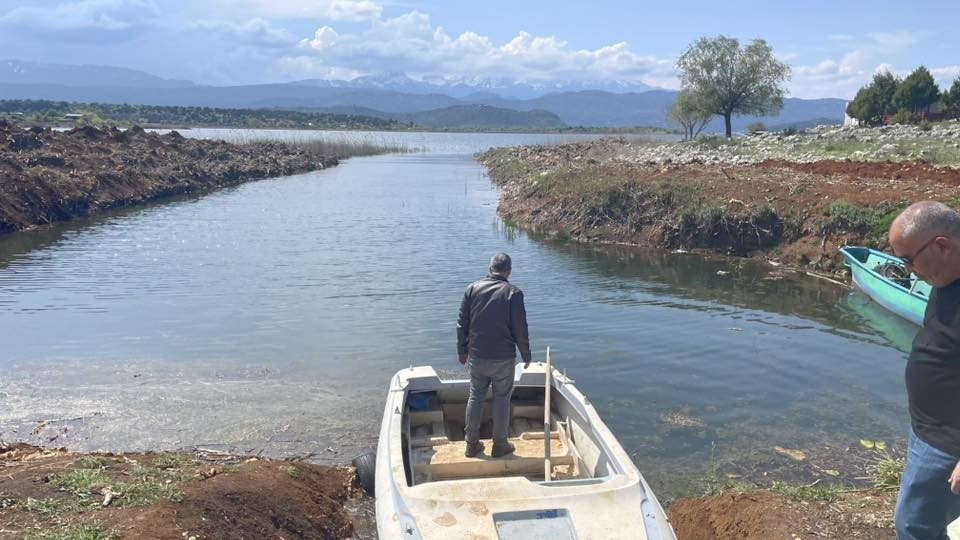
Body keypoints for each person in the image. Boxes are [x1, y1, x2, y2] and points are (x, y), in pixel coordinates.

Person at [889, 201, 960, 539]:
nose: (908, 270)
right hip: (930, 430)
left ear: (942, 246)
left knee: (915, 526)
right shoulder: (947, 275)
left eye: (908, 259)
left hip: (949, 443)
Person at [456, 253, 532, 459]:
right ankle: (500, 445)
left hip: (477, 357)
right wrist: (526, 355)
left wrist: (462, 350)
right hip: (504, 359)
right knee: (501, 400)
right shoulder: (514, 293)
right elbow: (520, 328)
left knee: (476, 396)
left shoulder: (472, 289)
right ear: (508, 271)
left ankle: (471, 445)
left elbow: (462, 323)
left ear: (490, 269)